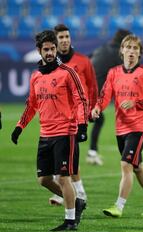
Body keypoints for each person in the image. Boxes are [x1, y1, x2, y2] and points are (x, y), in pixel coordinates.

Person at [10, 30, 88, 231]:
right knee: (43, 179)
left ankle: (70, 221)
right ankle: (76, 202)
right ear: (39, 51)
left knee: (63, 178)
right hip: (45, 134)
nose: (51, 52)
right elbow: (32, 105)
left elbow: (81, 99)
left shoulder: (68, 73)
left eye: (53, 48)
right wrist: (20, 126)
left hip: (65, 132)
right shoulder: (36, 76)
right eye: (46, 49)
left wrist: (82, 124)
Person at [91, 34, 143, 217]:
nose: (131, 51)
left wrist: (136, 103)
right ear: (121, 50)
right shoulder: (113, 72)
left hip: (138, 127)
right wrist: (98, 107)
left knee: (126, 164)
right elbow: (105, 94)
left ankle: (119, 207)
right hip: (120, 127)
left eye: (135, 49)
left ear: (140, 53)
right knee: (137, 166)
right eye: (128, 47)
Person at [47, 24, 98, 209]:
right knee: (62, 156)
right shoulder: (51, 64)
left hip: (77, 115)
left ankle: (74, 193)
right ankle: (75, 192)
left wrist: (93, 108)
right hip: (57, 116)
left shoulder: (83, 61)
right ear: (55, 41)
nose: (65, 40)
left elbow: (92, 86)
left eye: (67, 36)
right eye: (61, 37)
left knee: (67, 155)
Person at [87, 29, 131, 166]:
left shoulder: (102, 48)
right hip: (91, 95)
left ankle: (92, 153)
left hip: (82, 91)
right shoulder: (118, 55)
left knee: (97, 120)